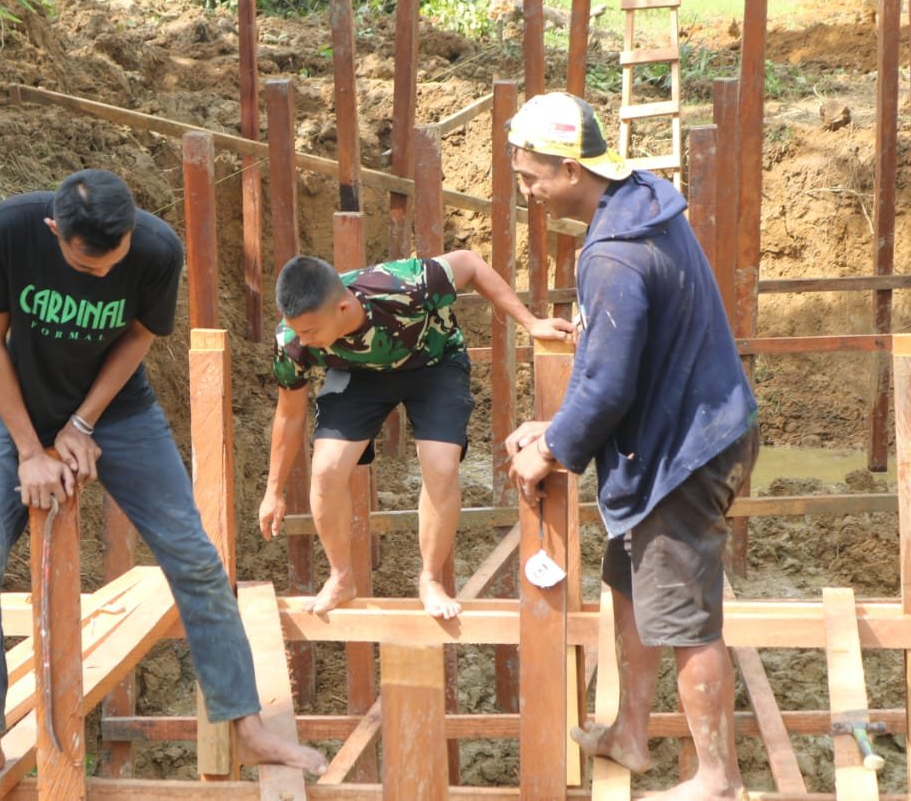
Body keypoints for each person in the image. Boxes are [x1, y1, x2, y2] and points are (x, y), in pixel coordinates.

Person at [0, 169, 328, 792]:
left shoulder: (156, 248)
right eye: (86, 265)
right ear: (54, 228)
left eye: (113, 261)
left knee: (195, 557)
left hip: (120, 413)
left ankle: (247, 724)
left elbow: (138, 338)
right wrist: (30, 451)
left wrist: (82, 423)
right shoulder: (8, 230)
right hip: (19, 411)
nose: (103, 275)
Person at [502, 92, 759, 800]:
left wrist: (550, 450)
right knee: (629, 582)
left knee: (686, 616)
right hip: (688, 430)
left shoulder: (613, 255)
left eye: (532, 177)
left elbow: (610, 385)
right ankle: (631, 733)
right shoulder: (640, 201)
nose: (527, 192)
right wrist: (556, 428)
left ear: (572, 169)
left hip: (684, 453)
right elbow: (612, 356)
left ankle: (718, 778)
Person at [258, 251, 574, 620]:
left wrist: (531, 323)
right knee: (326, 469)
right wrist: (273, 491)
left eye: (311, 331)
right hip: (357, 376)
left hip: (434, 363)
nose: (303, 340)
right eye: (297, 330)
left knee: (441, 466)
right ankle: (341, 578)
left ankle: (430, 579)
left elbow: (470, 264)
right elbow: (289, 414)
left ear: (343, 308)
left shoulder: (403, 284)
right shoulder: (292, 340)